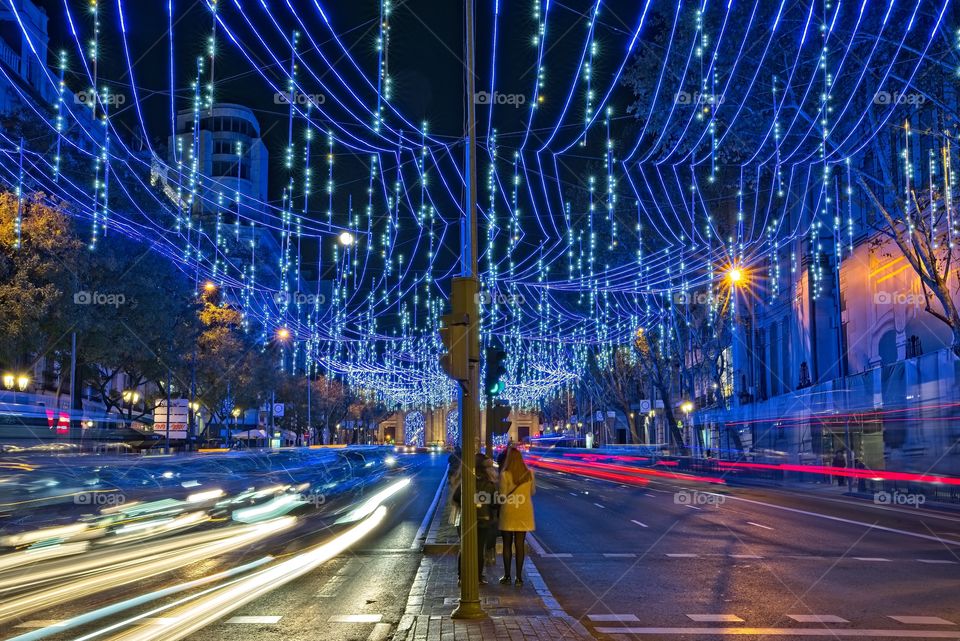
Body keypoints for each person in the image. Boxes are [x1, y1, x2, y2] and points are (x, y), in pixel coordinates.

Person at [498, 447, 535, 587]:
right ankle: (519, 578)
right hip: (524, 511)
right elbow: (533, 491)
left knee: (507, 544)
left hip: (509, 510)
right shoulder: (530, 473)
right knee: (520, 544)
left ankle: (507, 575)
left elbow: (502, 495)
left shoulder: (505, 474)